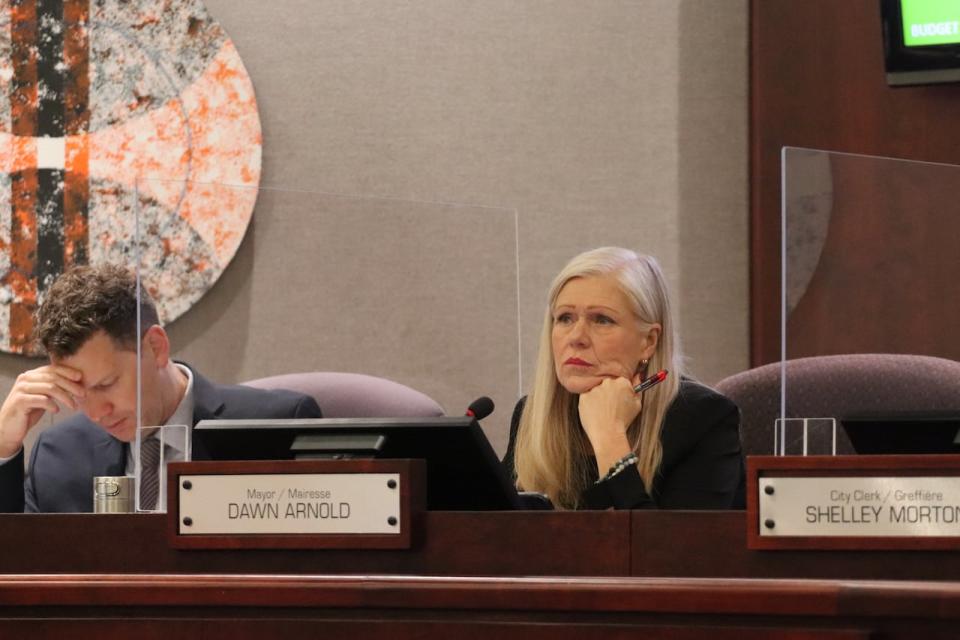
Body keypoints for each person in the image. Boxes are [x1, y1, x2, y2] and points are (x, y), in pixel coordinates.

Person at [0, 264, 322, 513]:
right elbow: (22, 574)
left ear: (155, 346)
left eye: (107, 384)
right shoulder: (60, 454)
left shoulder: (275, 430)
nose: (97, 413)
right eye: (79, 394)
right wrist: (3, 448)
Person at [503, 247, 744, 510]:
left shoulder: (702, 418)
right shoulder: (532, 415)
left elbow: (668, 550)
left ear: (648, 342)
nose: (576, 337)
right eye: (565, 318)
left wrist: (610, 437)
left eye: (602, 320)